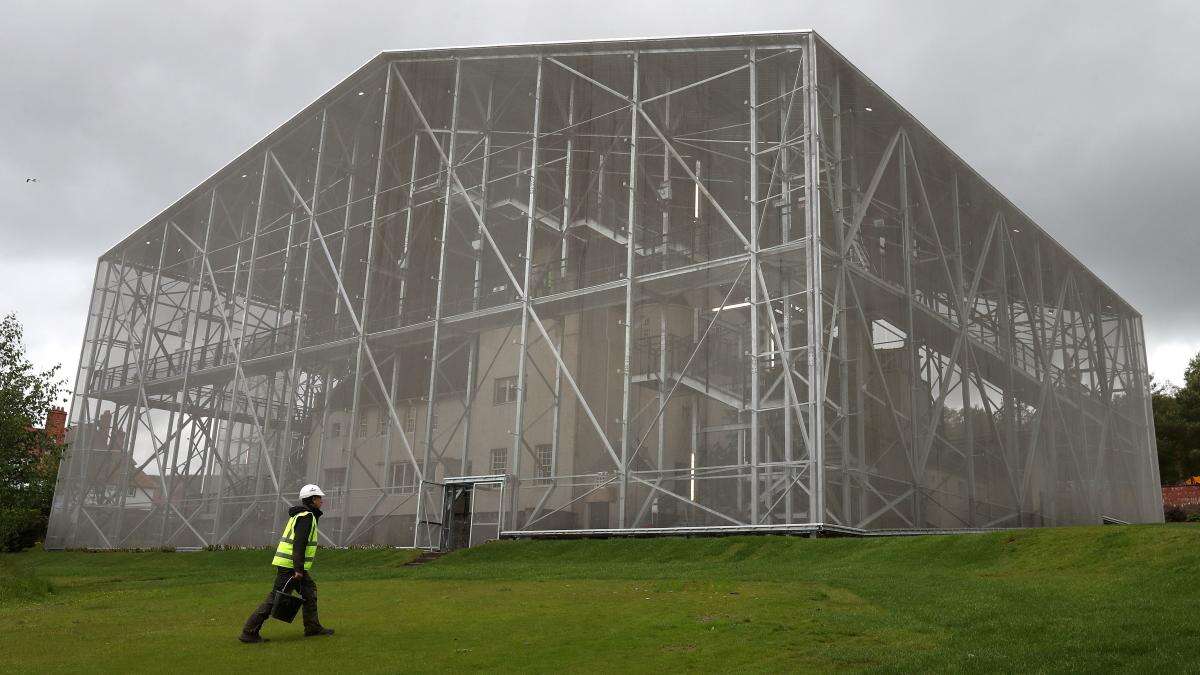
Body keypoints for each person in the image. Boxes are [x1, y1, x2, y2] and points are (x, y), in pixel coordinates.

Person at [239, 484, 335, 643]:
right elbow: (299, 544)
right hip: (291, 566)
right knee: (276, 597)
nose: (322, 501)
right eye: (319, 498)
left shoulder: (302, 515)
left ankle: (312, 627)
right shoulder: (306, 517)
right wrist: (297, 569)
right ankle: (249, 632)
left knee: (309, 591)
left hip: (290, 564)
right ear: (312, 500)